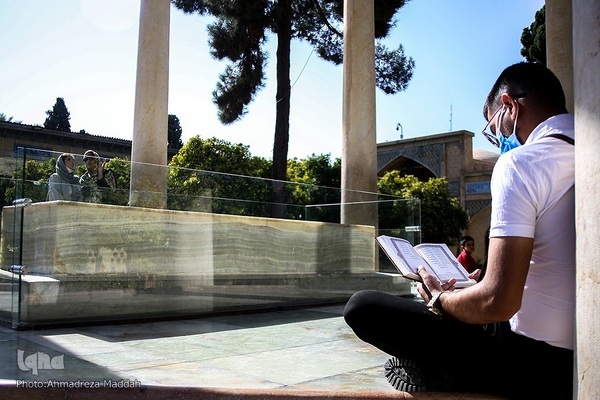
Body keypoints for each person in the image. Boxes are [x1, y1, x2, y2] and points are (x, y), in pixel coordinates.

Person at [344, 62, 574, 399]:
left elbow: (498, 302)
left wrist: (440, 299)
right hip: (581, 348)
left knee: (363, 307)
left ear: (509, 106)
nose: (499, 141)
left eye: (494, 126)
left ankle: (443, 371)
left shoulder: (524, 163)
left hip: (536, 362)